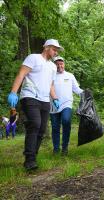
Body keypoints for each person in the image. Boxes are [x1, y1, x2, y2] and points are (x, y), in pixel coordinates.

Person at [7, 39, 63, 170]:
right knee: (35, 124)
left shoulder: (53, 67)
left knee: (42, 129)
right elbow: (21, 74)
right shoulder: (33, 58)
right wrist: (13, 92)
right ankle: (29, 160)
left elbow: (51, 85)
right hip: (30, 96)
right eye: (54, 49)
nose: (56, 52)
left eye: (57, 50)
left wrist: (55, 98)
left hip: (44, 100)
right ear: (47, 47)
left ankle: (33, 157)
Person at [50, 56, 83, 155]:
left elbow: (76, 89)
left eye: (61, 64)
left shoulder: (70, 75)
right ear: (54, 65)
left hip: (66, 104)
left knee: (66, 120)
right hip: (53, 105)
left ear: (64, 64)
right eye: (57, 64)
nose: (59, 66)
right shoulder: (50, 76)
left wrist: (85, 94)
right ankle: (56, 149)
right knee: (55, 127)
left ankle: (65, 147)